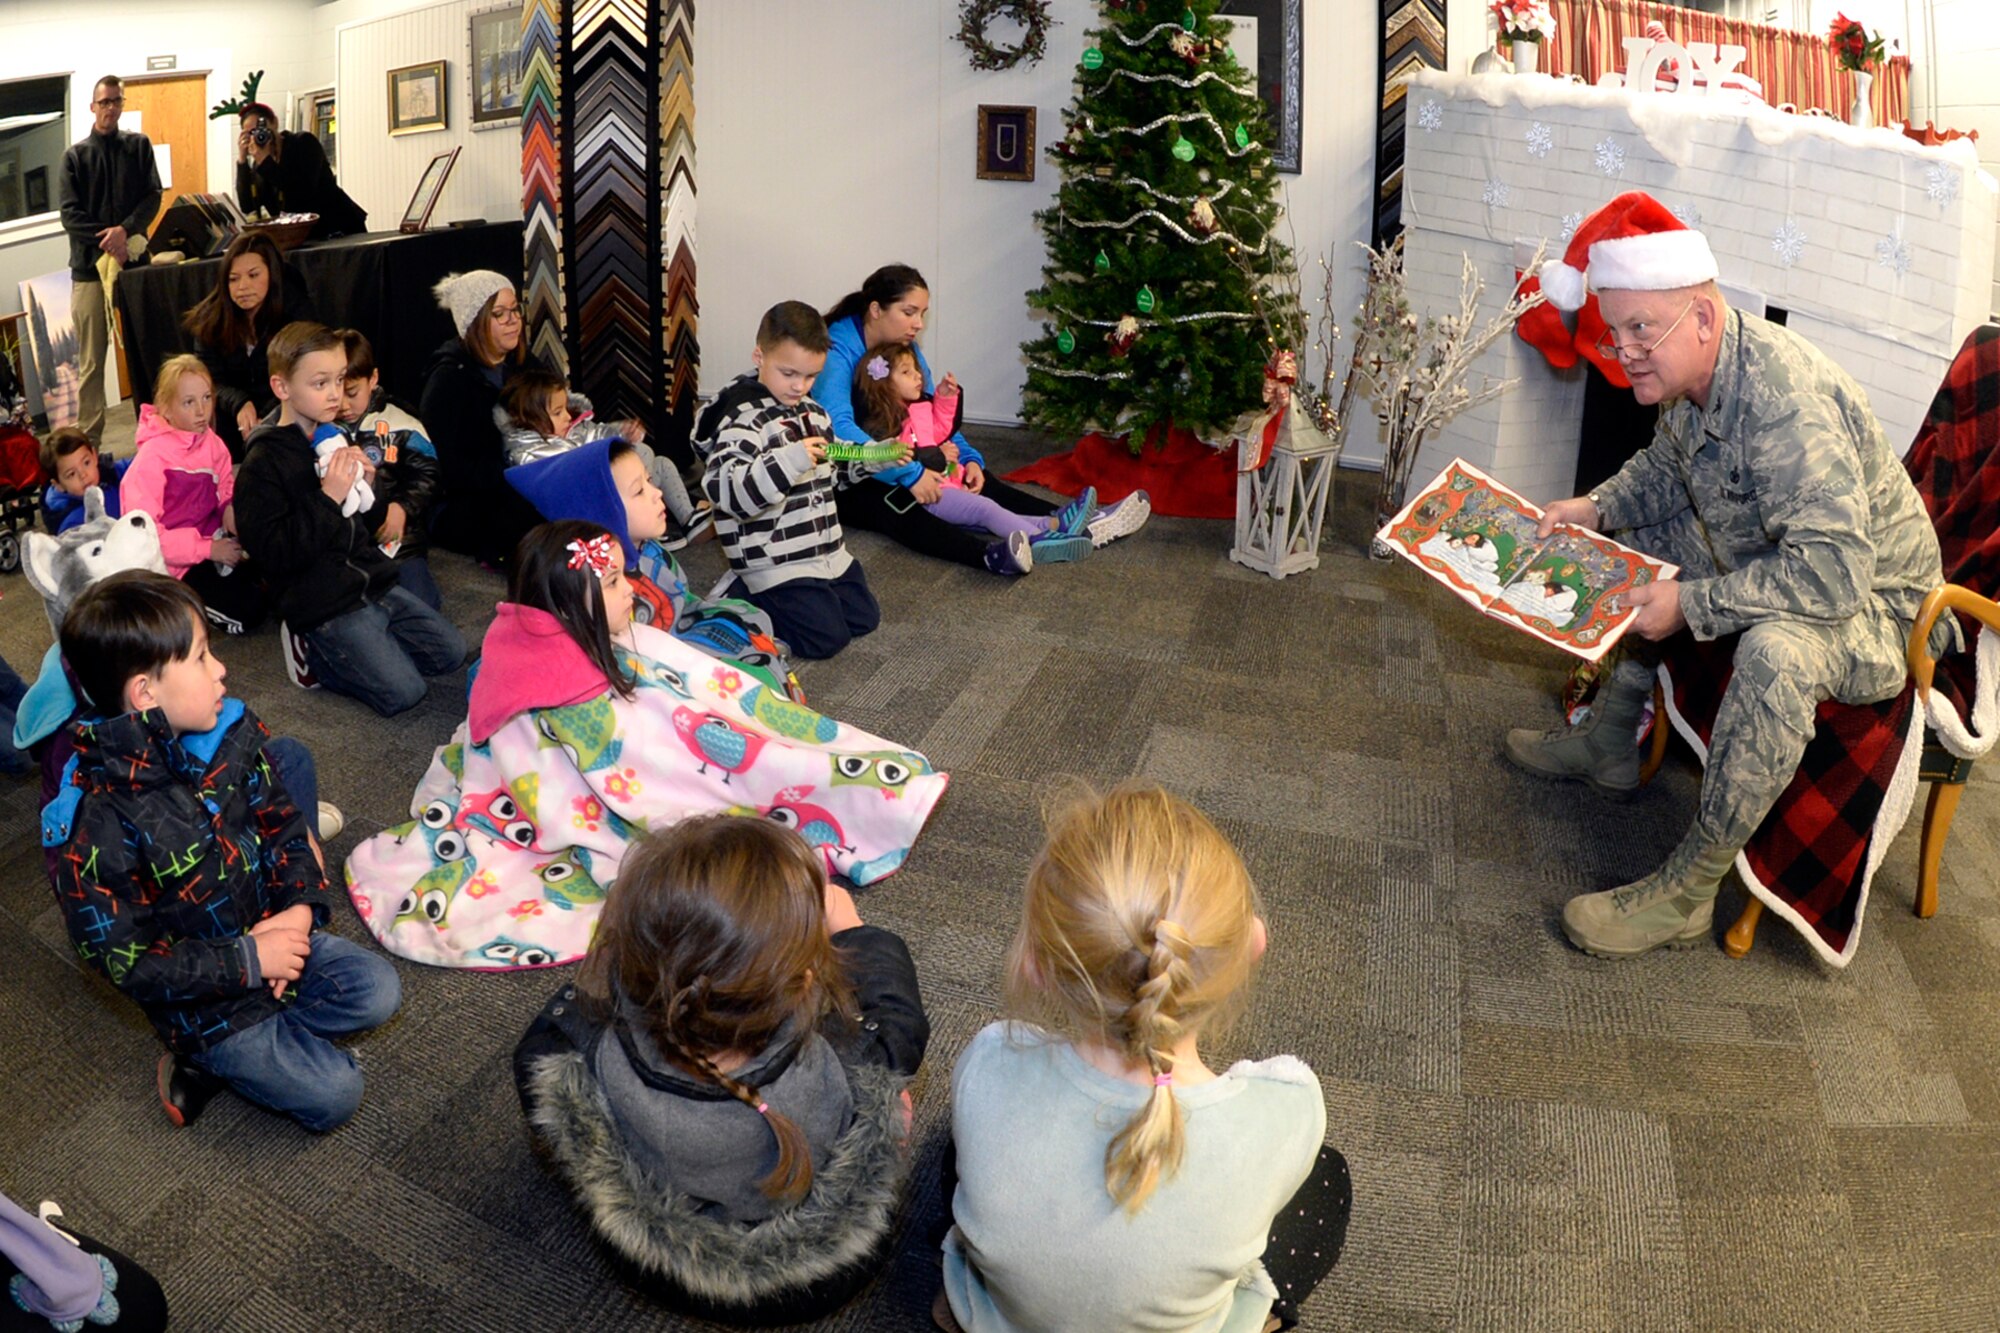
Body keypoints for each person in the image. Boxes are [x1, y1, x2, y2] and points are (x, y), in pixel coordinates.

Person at [1505, 192, 1946, 958]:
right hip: (1807, 561)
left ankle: (1689, 889)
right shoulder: (1693, 377)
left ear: (1703, 319)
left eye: (1642, 329)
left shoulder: (1785, 406)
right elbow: (1664, 469)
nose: (1625, 350)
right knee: (1647, 540)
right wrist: (1596, 508)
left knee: (1777, 653)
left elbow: (1836, 575)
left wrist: (1696, 603)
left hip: (1884, 604)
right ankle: (1612, 739)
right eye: (1616, 333)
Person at [343, 520, 947, 968]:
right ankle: (854, 795)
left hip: (673, 729)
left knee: (763, 734)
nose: (630, 588)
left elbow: (686, 687)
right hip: (593, 782)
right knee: (753, 788)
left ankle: (845, 783)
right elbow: (633, 767)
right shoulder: (558, 695)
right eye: (611, 582)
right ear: (569, 602)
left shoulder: (565, 637)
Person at [939, 783, 1349, 1333]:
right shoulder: (1288, 1109)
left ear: (1038, 966)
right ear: (1253, 945)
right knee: (1327, 1178)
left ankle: (959, 1310)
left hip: (1007, 1318)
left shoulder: (989, 1062)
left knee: (960, 1148)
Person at [513, 814, 927, 1321]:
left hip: (660, 1268)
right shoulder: (839, 1061)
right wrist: (854, 930)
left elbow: (537, 1060)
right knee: (891, 1097)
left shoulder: (589, 1047)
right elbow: (898, 1022)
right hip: (812, 1282)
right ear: (803, 981)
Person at [46, 570, 401, 1131]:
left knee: (379, 990)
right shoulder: (96, 823)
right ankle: (202, 1060)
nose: (222, 670)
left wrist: (298, 911)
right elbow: (127, 961)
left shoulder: (227, 737)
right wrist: (248, 961)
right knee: (336, 1093)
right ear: (146, 694)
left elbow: (285, 826)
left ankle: (273, 1028)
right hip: (205, 1005)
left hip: (272, 935)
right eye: (203, 657)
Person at [819, 264, 1151, 566]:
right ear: (876, 310)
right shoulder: (837, 350)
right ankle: (988, 557)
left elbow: (935, 418)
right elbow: (841, 431)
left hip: (905, 455)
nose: (918, 324)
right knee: (899, 503)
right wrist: (910, 474)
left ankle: (1067, 521)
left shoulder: (904, 348)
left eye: (922, 313)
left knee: (970, 478)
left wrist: (970, 459)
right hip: (846, 473)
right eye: (909, 312)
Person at [234, 321, 466, 715]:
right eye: (320, 383)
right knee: (404, 693)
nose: (335, 394)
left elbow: (367, 521)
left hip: (371, 583)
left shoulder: (333, 437)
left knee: (452, 653)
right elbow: (272, 553)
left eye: (339, 380)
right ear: (282, 388)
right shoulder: (263, 463)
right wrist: (327, 498)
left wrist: (371, 486)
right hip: (322, 603)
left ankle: (368, 642)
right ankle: (314, 657)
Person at [508, 438, 800, 695]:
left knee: (748, 619)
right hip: (660, 655)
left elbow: (681, 599)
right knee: (751, 680)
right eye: (639, 491)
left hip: (681, 623)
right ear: (601, 510)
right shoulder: (605, 581)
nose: (657, 493)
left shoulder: (648, 548)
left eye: (649, 480)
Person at [695, 301, 879, 660]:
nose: (800, 386)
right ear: (758, 356)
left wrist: (875, 457)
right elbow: (728, 493)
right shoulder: (741, 420)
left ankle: (799, 593)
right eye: (789, 373)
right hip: (772, 558)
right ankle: (739, 596)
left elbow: (835, 471)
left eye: (811, 376)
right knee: (826, 640)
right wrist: (790, 460)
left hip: (823, 550)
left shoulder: (815, 413)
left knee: (864, 618)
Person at [849, 340, 1099, 574]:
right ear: (883, 383)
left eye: (916, 369)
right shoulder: (881, 425)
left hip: (948, 482)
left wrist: (946, 399)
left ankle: (1052, 526)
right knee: (985, 509)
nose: (917, 375)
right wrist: (936, 455)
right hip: (930, 494)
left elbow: (941, 430)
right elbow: (895, 459)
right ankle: (1038, 541)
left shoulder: (919, 409)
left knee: (988, 515)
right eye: (906, 372)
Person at [123, 354, 268, 635]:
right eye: (189, 402)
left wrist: (228, 507)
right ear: (166, 408)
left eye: (206, 398)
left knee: (275, 574)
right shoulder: (151, 460)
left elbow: (225, 483)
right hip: (173, 567)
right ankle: (177, 605)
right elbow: (145, 537)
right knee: (249, 613)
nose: (202, 411)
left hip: (212, 543)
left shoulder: (212, 442)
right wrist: (208, 550)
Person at [56, 74, 161, 447]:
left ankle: (158, 432)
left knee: (147, 349)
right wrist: (111, 238)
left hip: (134, 267)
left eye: (117, 101)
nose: (111, 108)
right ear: (93, 106)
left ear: (122, 104)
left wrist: (126, 230)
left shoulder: (139, 146)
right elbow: (70, 216)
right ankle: (89, 444)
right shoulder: (75, 157)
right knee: (91, 363)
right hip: (89, 273)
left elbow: (152, 196)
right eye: (104, 102)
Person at [419, 270, 545, 565]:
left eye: (515, 310)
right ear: (474, 322)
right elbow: (450, 469)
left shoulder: (522, 362)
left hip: (518, 475)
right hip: (463, 500)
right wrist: (516, 472)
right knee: (531, 514)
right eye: (500, 314)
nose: (514, 320)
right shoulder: (448, 380)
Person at [498, 367, 708, 542]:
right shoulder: (527, 452)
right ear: (530, 418)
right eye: (557, 412)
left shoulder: (571, 430)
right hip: (594, 503)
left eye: (565, 409)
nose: (567, 416)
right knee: (642, 454)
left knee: (661, 463)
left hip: (611, 488)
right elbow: (565, 480)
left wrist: (621, 433)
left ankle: (688, 518)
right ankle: (640, 528)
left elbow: (596, 433)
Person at [331, 327, 444, 610]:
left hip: (397, 542)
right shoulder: (320, 427)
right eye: (335, 391)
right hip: (343, 545)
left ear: (374, 379)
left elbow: (428, 475)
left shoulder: (402, 422)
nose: (343, 405)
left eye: (352, 392)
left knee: (422, 606)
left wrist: (402, 507)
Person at [181, 231, 316, 460]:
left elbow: (303, 373)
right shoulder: (211, 320)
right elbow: (207, 379)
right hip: (231, 415)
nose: (242, 286)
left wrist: (269, 416)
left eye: (253, 275)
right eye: (233, 279)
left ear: (272, 275)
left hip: (284, 406)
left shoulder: (296, 312)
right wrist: (240, 404)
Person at [234, 100, 367, 238]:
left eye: (260, 129)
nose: (258, 136)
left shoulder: (303, 143)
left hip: (338, 227)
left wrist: (264, 161)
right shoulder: (260, 166)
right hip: (302, 236)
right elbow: (247, 206)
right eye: (251, 133)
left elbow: (302, 192)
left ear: (275, 122)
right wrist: (242, 161)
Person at [39, 426, 126, 533]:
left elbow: (140, 465)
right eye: (71, 474)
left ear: (94, 456)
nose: (83, 475)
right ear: (58, 485)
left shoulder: (110, 472)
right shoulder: (71, 525)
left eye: (86, 463)